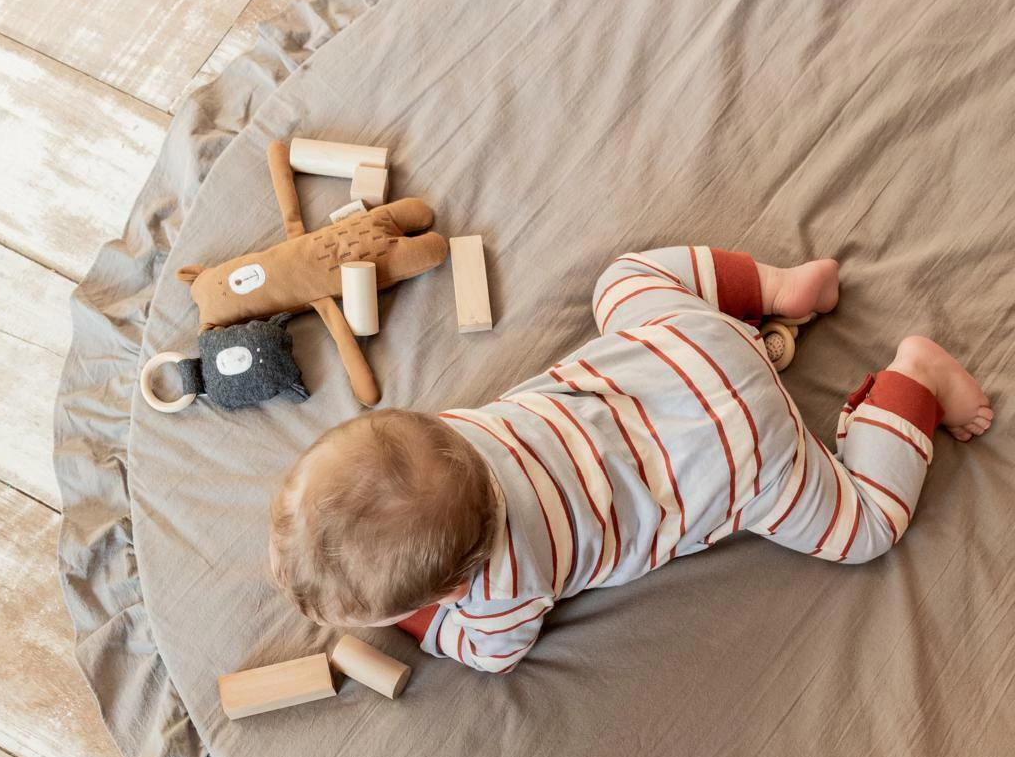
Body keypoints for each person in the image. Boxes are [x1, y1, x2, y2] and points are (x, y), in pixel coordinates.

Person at [269, 245, 992, 673]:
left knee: (865, 529)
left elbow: (488, 654)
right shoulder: (448, 431)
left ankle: (916, 380)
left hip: (747, 454)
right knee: (621, 279)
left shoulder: (501, 592)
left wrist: (404, 620)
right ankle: (777, 288)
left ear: (454, 586)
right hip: (687, 344)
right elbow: (392, 482)